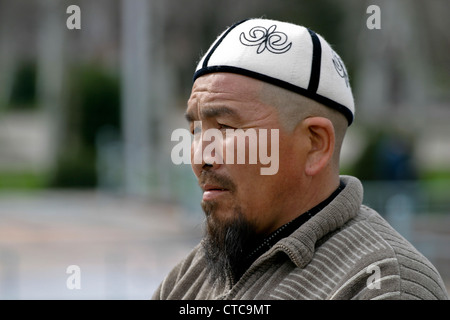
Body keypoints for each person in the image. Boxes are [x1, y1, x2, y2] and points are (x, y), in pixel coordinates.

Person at [152, 18, 449, 300]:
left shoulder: (383, 285)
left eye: (226, 128)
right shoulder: (194, 274)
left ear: (315, 145)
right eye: (196, 130)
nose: (201, 156)